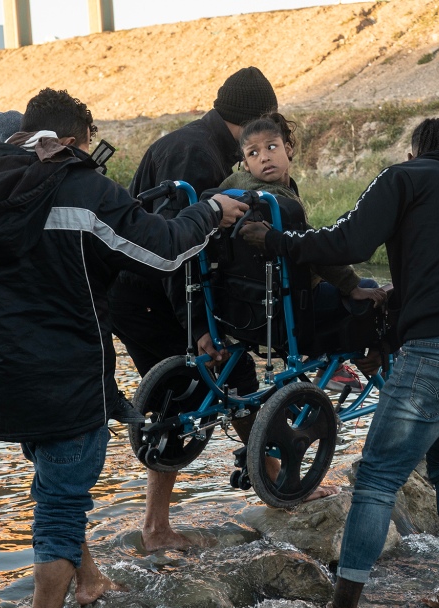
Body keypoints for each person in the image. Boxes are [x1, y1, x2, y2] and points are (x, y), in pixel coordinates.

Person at [0, 88, 247, 608]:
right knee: (61, 512)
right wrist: (210, 213)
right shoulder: (80, 187)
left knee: (55, 483)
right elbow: (165, 250)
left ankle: (88, 581)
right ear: (63, 140)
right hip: (68, 384)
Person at [240, 118, 439, 608]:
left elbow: (347, 239)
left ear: (417, 149)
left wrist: (275, 240)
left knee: (376, 480)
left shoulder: (404, 177)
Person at [110, 66, 278, 551]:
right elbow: (173, 249)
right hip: (146, 292)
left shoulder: (209, 146)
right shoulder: (193, 154)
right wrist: (200, 327)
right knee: (179, 395)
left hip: (162, 290)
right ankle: (156, 527)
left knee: (234, 374)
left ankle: (272, 482)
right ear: (253, 117)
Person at [218, 112, 386, 391]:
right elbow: (313, 251)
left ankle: (327, 361)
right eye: (254, 153)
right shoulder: (276, 202)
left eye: (272, 147)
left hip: (246, 305)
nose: (265, 157)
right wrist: (352, 284)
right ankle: (353, 363)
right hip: (293, 305)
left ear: (288, 149)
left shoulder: (231, 189)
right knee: (373, 293)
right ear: (246, 164)